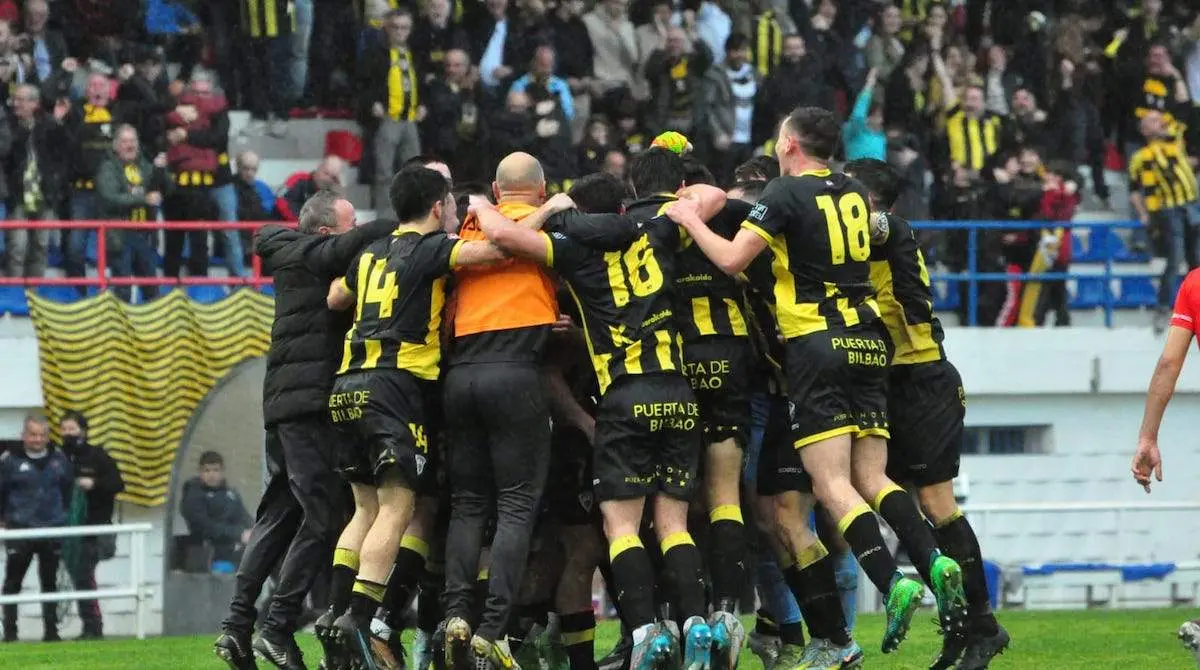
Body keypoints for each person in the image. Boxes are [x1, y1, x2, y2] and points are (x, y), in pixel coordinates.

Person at [667, 107, 967, 657]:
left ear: (788, 143)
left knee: (831, 486)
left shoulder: (783, 194)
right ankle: (934, 560)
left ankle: (893, 580)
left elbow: (733, 260)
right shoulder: (854, 191)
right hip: (870, 343)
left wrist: (690, 222)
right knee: (872, 478)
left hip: (817, 347)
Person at [470, 153, 728, 670]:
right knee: (674, 524)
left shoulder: (573, 253)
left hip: (624, 398)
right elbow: (709, 195)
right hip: (678, 394)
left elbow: (503, 237)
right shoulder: (656, 229)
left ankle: (648, 633)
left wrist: (485, 203)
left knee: (621, 527)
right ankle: (696, 623)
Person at [321, 165, 506, 669]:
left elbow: (335, 296)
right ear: (436, 207)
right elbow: (496, 249)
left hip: (346, 386)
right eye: (449, 203)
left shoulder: (368, 253)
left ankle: (335, 613)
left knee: (362, 509)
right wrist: (505, 213)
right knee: (396, 509)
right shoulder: (430, 249)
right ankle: (359, 619)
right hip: (395, 388)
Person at [215, 191, 398, 670]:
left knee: (279, 514)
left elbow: (273, 237)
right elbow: (356, 242)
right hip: (310, 404)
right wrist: (406, 220)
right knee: (326, 517)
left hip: (283, 404)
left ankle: (236, 627)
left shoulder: (290, 251)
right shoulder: (316, 257)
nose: (356, 230)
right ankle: (276, 626)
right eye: (348, 223)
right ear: (323, 233)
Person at [846, 158, 1010, 670]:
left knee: (938, 504)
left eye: (849, 195)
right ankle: (960, 629)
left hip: (922, 379)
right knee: (887, 500)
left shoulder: (889, 230)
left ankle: (981, 624)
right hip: (884, 382)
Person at [438, 152, 565, 670]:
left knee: (468, 504)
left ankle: (455, 617)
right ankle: (494, 631)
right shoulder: (549, 226)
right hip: (516, 372)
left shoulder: (469, 229)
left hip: (461, 374)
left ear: (495, 188)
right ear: (540, 189)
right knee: (516, 505)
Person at [0, 413, 73, 643]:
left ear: (48, 436)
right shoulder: (9, 461)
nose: (37, 439)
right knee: (13, 582)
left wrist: (62, 516)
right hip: (20, 529)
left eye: (42, 435)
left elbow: (68, 491)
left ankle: (51, 632)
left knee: (50, 582)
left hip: (52, 528)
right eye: (32, 434)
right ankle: (10, 634)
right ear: (23, 435)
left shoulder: (60, 459)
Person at [58, 410, 124, 641]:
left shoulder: (98, 456)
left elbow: (117, 484)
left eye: (72, 429)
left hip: (94, 528)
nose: (68, 434)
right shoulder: (58, 457)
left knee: (84, 575)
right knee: (78, 576)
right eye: (64, 429)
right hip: (67, 530)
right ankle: (81, 625)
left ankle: (93, 626)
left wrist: (93, 483)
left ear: (83, 431)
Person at [180, 451, 253, 565]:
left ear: (222, 472)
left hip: (233, 550)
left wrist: (255, 532)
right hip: (207, 554)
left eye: (216, 470)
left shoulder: (230, 494)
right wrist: (239, 534)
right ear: (200, 472)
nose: (211, 475)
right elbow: (205, 526)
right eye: (207, 470)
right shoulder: (193, 495)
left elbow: (244, 516)